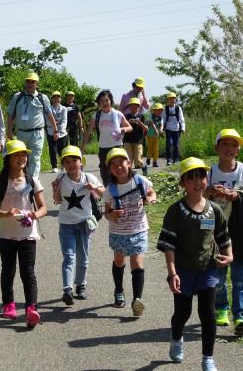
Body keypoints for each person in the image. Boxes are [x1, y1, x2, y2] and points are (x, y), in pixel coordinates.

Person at [157, 157, 233, 371]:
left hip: (208, 269)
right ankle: (176, 338)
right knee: (182, 313)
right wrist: (172, 273)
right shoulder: (175, 211)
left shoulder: (214, 210)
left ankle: (208, 358)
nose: (197, 182)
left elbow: (223, 237)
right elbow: (169, 245)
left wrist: (229, 256)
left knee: (207, 314)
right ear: (182, 183)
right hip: (183, 271)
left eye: (201, 176)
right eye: (191, 178)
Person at [206, 128, 243, 336]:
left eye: (234, 145)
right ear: (217, 148)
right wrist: (210, 191)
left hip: (241, 231)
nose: (229, 149)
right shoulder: (210, 172)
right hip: (217, 231)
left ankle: (240, 316)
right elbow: (200, 197)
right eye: (225, 144)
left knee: (240, 277)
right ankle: (221, 308)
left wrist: (236, 195)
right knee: (220, 276)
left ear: (238, 150)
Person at [0, 140, 48, 329]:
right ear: (8, 158)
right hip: (5, 234)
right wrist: (5, 214)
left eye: (24, 155)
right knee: (8, 269)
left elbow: (44, 207)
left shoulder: (32, 180)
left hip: (28, 233)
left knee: (28, 272)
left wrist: (34, 215)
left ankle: (31, 309)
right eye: (17, 155)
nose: (22, 158)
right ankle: (8, 304)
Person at [103, 148, 156, 316]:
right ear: (110, 169)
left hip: (139, 228)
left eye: (122, 163)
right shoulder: (110, 190)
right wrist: (113, 214)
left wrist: (151, 198)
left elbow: (151, 192)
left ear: (129, 163)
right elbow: (106, 214)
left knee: (137, 264)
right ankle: (119, 291)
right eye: (114, 165)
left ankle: (136, 300)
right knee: (119, 261)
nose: (119, 167)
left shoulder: (140, 181)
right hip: (119, 231)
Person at [52, 145, 105, 305]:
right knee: (69, 256)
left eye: (74, 160)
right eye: (66, 161)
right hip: (66, 224)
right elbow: (57, 200)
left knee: (83, 256)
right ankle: (67, 289)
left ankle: (81, 285)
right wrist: (56, 189)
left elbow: (103, 192)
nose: (70, 164)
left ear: (81, 161)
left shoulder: (89, 177)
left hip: (84, 223)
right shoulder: (61, 179)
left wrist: (94, 188)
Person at [6, 71, 58, 178]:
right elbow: (10, 115)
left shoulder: (42, 98)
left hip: (37, 133)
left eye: (33, 82)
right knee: (21, 158)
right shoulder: (17, 97)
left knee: (34, 158)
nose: (30, 84)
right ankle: (23, 179)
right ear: (25, 83)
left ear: (37, 84)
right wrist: (9, 132)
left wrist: (55, 130)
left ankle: (33, 184)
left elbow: (49, 115)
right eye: (28, 82)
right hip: (21, 133)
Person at [81, 90, 132, 186]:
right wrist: (81, 149)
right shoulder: (96, 116)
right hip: (103, 149)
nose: (104, 103)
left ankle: (122, 193)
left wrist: (124, 129)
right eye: (101, 101)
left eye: (106, 100)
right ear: (99, 103)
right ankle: (110, 195)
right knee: (105, 174)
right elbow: (87, 132)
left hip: (117, 147)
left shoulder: (118, 114)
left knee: (120, 172)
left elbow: (130, 127)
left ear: (110, 101)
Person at [123, 97, 148, 175]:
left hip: (138, 141)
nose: (133, 108)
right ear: (129, 107)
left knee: (138, 159)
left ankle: (144, 167)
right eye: (131, 106)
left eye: (135, 106)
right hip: (127, 140)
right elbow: (122, 126)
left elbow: (146, 128)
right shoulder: (126, 116)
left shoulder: (142, 116)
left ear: (138, 107)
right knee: (128, 159)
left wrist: (140, 123)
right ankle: (129, 174)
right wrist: (128, 122)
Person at [47, 91, 68, 173]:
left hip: (62, 132)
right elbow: (47, 120)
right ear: (52, 99)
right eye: (54, 97)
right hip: (51, 131)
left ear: (60, 99)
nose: (56, 99)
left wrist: (59, 129)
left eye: (58, 97)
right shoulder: (48, 108)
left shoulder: (64, 109)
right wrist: (54, 123)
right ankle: (54, 166)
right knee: (52, 150)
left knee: (62, 150)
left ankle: (63, 165)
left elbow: (64, 120)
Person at [162, 92, 185, 166]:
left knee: (176, 145)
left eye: (173, 98)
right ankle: (168, 160)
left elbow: (181, 119)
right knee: (169, 144)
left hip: (177, 129)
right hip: (168, 128)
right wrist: (162, 128)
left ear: (175, 99)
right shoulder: (165, 108)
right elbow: (163, 119)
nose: (172, 100)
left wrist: (183, 128)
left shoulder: (178, 108)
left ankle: (175, 160)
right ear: (168, 100)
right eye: (170, 99)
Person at [144, 102, 164, 168]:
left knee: (156, 149)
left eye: (161, 110)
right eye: (158, 110)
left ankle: (155, 162)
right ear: (154, 110)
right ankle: (148, 158)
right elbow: (152, 123)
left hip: (157, 135)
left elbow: (161, 125)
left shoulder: (161, 118)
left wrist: (161, 130)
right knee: (150, 148)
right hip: (150, 134)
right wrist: (155, 130)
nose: (159, 111)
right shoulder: (151, 115)